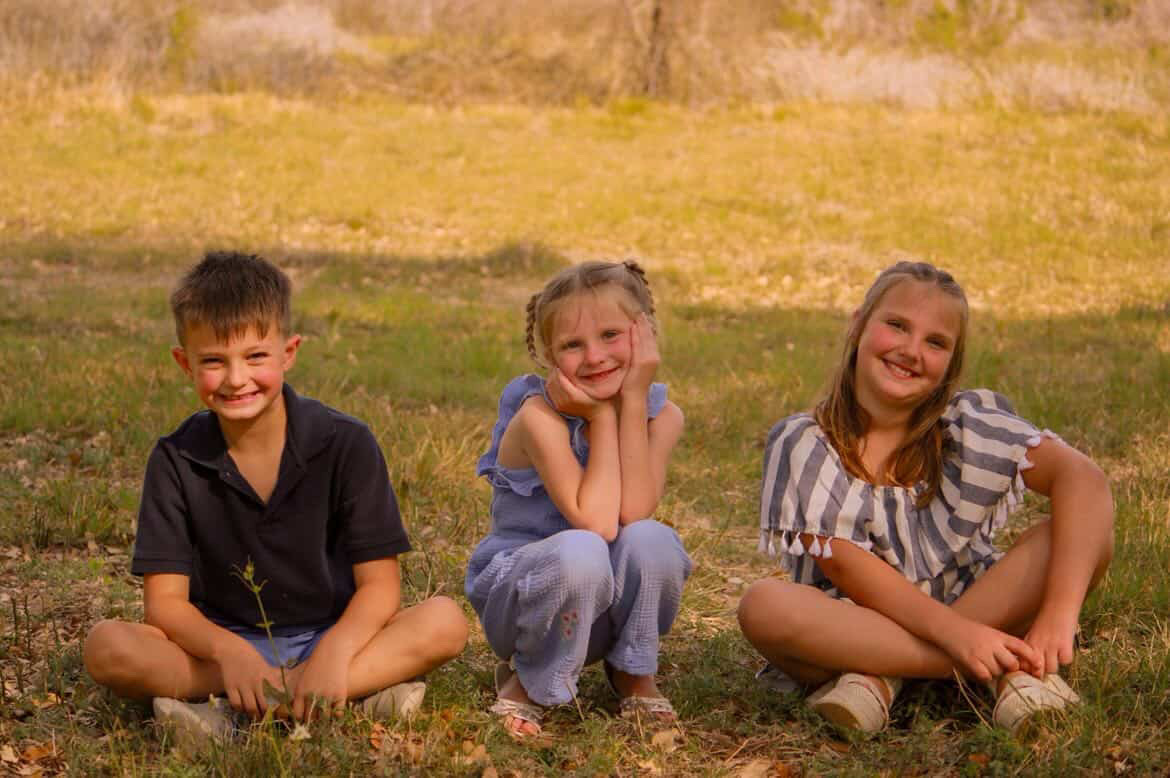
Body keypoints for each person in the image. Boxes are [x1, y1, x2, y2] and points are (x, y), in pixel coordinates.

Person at [83, 252, 468, 744]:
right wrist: (231, 654)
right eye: (214, 361)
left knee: (445, 622)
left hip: (333, 636)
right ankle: (339, 697)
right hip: (218, 648)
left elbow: (379, 588)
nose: (237, 378)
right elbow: (166, 606)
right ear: (185, 363)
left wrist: (333, 651)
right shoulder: (175, 458)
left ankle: (241, 710)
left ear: (288, 352)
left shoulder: (346, 442)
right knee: (108, 648)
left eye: (255, 356)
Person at [737, 261, 1113, 735]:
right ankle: (990, 665)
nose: (911, 350)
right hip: (856, 624)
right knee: (763, 604)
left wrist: (1059, 614)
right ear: (858, 325)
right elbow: (845, 566)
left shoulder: (965, 425)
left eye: (936, 342)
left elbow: (1085, 480)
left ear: (950, 366)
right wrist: (961, 637)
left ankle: (882, 678)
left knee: (1079, 537)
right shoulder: (805, 442)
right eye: (896, 325)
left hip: (976, 600)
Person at [466, 260, 691, 738]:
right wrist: (601, 419)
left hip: (600, 606)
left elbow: (631, 512)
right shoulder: (537, 418)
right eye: (572, 345)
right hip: (524, 600)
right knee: (584, 547)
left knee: (654, 540)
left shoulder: (663, 416)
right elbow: (595, 523)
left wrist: (629, 403)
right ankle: (530, 678)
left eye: (611, 335)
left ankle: (633, 671)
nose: (594, 357)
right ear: (548, 355)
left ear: (644, 334)